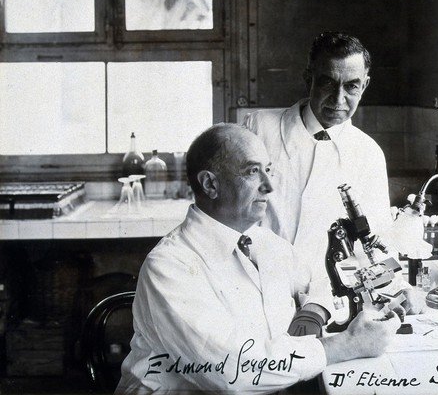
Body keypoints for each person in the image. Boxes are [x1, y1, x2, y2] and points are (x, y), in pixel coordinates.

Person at [115, 123, 400, 395]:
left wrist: (312, 311)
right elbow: (231, 372)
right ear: (210, 184)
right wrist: (347, 344)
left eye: (268, 170)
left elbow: (321, 278)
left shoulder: (265, 243)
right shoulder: (170, 266)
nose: (268, 186)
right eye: (252, 172)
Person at [243, 31, 393, 283]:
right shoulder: (259, 128)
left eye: (351, 86)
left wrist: (392, 290)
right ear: (308, 79)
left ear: (364, 85)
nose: (338, 99)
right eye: (328, 83)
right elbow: (229, 214)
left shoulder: (368, 153)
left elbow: (378, 239)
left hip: (327, 297)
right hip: (256, 282)